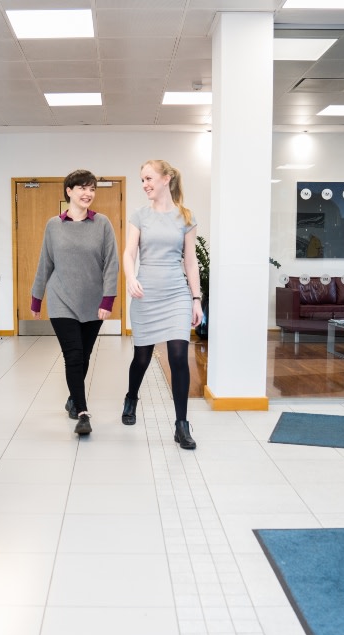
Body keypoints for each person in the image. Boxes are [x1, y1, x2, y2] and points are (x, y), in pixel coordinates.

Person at [31, 169, 120, 436]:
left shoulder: (102, 223)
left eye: (92, 188)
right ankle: (82, 412)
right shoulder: (53, 225)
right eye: (82, 188)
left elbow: (111, 264)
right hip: (61, 300)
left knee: (84, 355)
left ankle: (73, 398)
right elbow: (45, 263)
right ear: (69, 191)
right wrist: (37, 299)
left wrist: (108, 299)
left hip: (93, 302)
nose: (88, 193)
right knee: (73, 356)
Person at [121, 159, 203, 449]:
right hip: (146, 295)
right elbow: (129, 253)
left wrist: (196, 299)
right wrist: (131, 278)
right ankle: (132, 397)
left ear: (166, 178)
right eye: (142, 180)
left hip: (176, 295)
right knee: (141, 357)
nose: (145, 184)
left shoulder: (185, 217)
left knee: (179, 357)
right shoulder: (140, 216)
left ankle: (182, 425)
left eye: (149, 178)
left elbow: (191, 262)